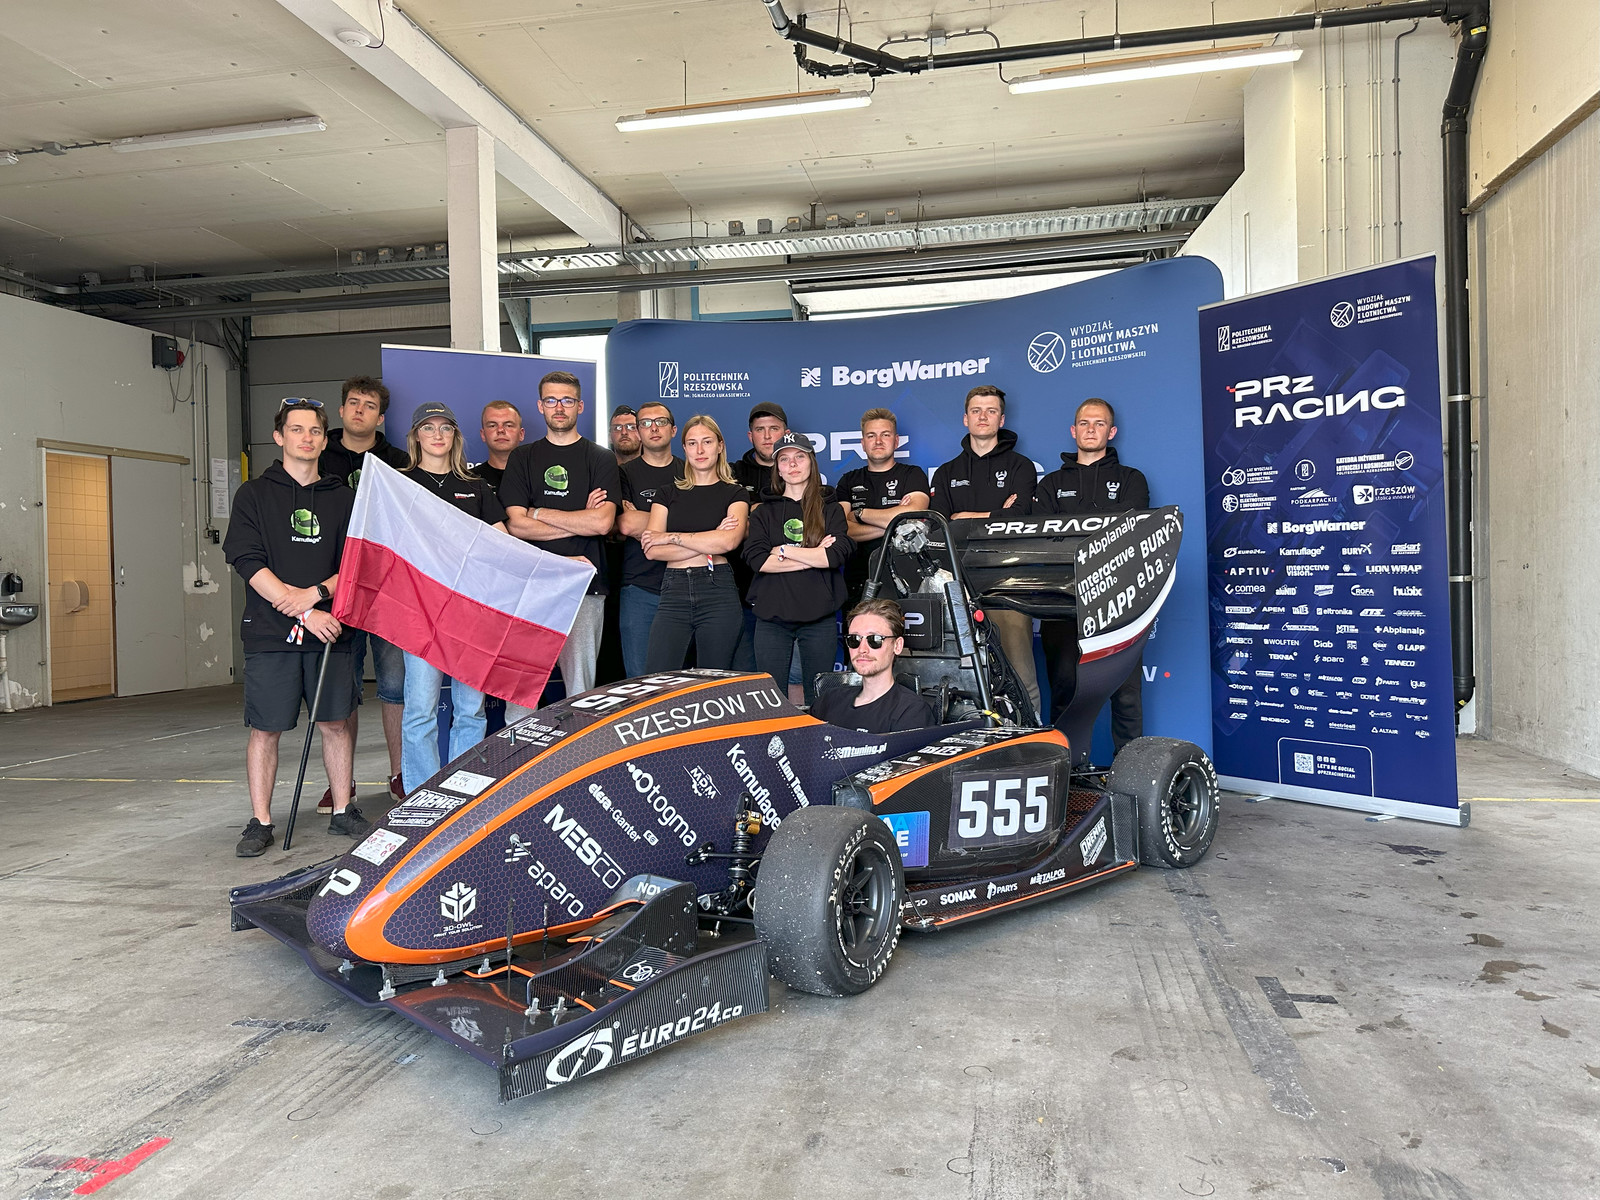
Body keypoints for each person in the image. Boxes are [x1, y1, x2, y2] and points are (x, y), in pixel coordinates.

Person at [223, 399, 370, 856]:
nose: (306, 438)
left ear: (325, 441)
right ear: (279, 436)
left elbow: (356, 565)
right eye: (296, 429)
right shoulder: (253, 494)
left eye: (315, 431)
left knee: (335, 724)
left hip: (331, 632)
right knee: (265, 729)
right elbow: (246, 560)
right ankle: (261, 822)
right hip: (271, 634)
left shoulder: (343, 498)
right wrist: (303, 610)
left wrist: (317, 594)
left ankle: (343, 811)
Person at [397, 401, 509, 792]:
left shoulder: (475, 486)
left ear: (455, 436)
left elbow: (502, 543)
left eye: (445, 427)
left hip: (469, 612)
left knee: (471, 710)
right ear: (416, 437)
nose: (438, 435)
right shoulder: (400, 484)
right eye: (428, 428)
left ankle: (463, 793)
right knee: (420, 710)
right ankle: (421, 796)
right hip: (419, 613)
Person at [498, 370, 619, 718]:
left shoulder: (601, 458)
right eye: (551, 400)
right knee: (520, 692)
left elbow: (602, 523)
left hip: (585, 585)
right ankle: (518, 751)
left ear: (580, 406)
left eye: (567, 400)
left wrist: (538, 512)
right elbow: (516, 525)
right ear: (540, 406)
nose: (559, 407)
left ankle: (578, 752)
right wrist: (581, 520)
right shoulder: (522, 458)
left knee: (581, 693)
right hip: (530, 585)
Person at [1035, 397, 1151, 750]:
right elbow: (1043, 537)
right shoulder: (1050, 483)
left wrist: (1072, 529)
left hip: (1118, 599)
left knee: (1126, 695)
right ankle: (1067, 770)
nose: (1091, 429)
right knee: (1064, 691)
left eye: (1099, 423)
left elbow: (1129, 533)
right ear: (1073, 431)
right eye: (1084, 423)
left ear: (1111, 432)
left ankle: (1130, 771)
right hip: (1062, 599)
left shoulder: (1132, 479)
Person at [318, 375, 407, 808]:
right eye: (353, 403)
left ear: (381, 417)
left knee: (395, 686)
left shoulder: (399, 461)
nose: (359, 410)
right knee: (344, 689)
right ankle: (343, 783)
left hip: (389, 588)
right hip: (337, 589)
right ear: (341, 410)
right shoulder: (319, 455)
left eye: (369, 405)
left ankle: (401, 775)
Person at [929, 384, 1041, 720]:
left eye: (991, 411)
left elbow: (1019, 517)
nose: (983, 417)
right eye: (976, 411)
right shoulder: (947, 472)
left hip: (1009, 585)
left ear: (1001, 419)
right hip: (958, 587)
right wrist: (996, 513)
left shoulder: (1021, 466)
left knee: (1020, 676)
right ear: (965, 418)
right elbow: (939, 525)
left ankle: (1030, 738)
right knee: (964, 678)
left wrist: (965, 516)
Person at [744, 431, 851, 707]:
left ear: (811, 463)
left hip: (819, 616)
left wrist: (783, 550)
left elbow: (834, 557)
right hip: (772, 618)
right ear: (777, 468)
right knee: (770, 701)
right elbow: (758, 561)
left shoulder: (830, 510)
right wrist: (813, 554)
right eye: (784, 459)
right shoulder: (763, 513)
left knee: (820, 700)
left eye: (799, 457)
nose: (792, 464)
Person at [643, 414, 749, 672]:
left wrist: (671, 536)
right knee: (659, 676)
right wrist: (711, 536)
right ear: (685, 448)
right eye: (692, 443)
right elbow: (652, 550)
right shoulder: (666, 493)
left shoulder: (735, 493)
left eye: (707, 442)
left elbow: (729, 542)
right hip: (674, 590)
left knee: (715, 679)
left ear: (720, 446)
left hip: (717, 590)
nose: (699, 450)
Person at [616, 402, 682, 676]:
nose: (653, 428)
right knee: (641, 682)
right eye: (645, 423)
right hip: (639, 588)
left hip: (686, 585)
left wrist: (649, 522)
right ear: (638, 431)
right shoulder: (623, 473)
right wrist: (689, 524)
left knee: (685, 683)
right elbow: (626, 523)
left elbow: (637, 522)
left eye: (661, 422)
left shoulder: (690, 471)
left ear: (673, 430)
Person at [839, 407, 930, 605]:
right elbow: (843, 529)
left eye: (885, 435)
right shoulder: (848, 480)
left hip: (907, 579)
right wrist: (896, 525)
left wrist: (860, 514)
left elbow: (914, 513)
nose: (878, 441)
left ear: (896, 441)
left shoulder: (913, 474)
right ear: (863, 443)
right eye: (871, 435)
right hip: (859, 581)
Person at [811, 599, 936, 734]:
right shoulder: (828, 701)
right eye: (854, 639)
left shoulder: (911, 711)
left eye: (875, 640)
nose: (862, 649)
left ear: (897, 645)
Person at [729, 402, 789, 672]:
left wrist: (754, 512)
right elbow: (730, 526)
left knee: (790, 677)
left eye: (773, 429)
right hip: (742, 590)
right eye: (759, 429)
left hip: (791, 589)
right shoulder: (733, 473)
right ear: (750, 435)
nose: (767, 436)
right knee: (744, 673)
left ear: (785, 433)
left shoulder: (798, 469)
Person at [473, 400, 525, 492]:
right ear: (483, 435)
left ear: (521, 434)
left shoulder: (537, 476)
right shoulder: (469, 480)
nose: (500, 430)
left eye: (508, 425)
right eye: (492, 426)